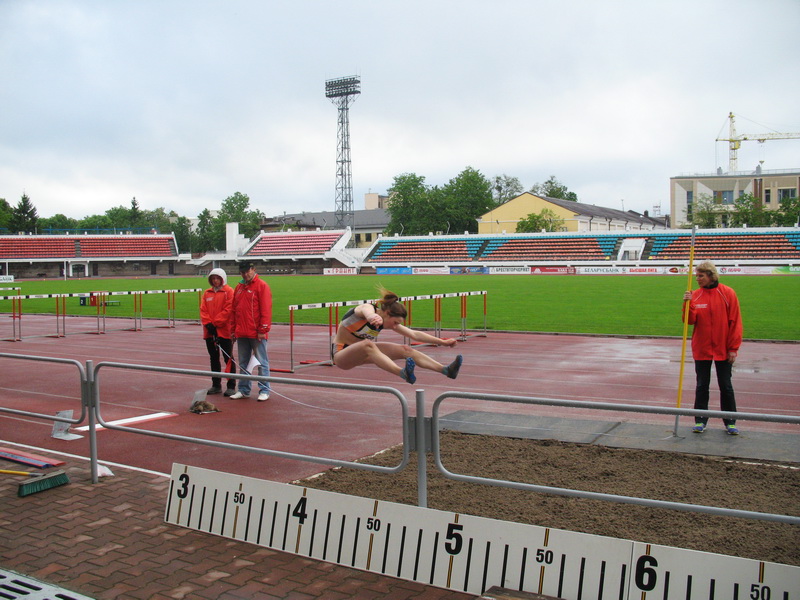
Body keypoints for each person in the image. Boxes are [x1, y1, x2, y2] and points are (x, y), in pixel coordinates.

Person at [332, 288, 463, 384]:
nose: (395, 327)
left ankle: (447, 370)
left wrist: (443, 342)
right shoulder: (367, 309)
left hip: (363, 354)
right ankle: (403, 373)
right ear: (387, 313)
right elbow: (365, 310)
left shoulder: (386, 322)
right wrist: (372, 316)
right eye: (395, 323)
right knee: (367, 345)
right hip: (342, 354)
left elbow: (414, 334)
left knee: (406, 350)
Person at [682, 260, 743, 435]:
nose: (697, 279)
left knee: (726, 385)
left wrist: (733, 348)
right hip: (702, 349)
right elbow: (689, 321)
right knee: (702, 385)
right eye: (696, 276)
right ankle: (700, 420)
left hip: (723, 349)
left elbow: (735, 322)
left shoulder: (728, 293)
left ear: (711, 276)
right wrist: (687, 304)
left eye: (701, 276)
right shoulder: (695, 294)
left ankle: (730, 421)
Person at [229, 261, 273, 401]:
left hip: (256, 332)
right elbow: (234, 310)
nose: (245, 274)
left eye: (247, 271)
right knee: (243, 362)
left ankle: (264, 389)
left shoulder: (262, 286)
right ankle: (243, 389)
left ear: (253, 270)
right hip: (241, 332)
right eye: (242, 272)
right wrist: (233, 330)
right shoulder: (239, 287)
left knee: (261, 362)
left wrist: (263, 329)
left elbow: (266, 309)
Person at [200, 268, 237, 396]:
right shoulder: (207, 293)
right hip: (210, 331)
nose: (215, 281)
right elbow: (203, 310)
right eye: (213, 279)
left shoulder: (229, 292)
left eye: (217, 278)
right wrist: (208, 324)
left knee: (228, 358)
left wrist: (215, 323)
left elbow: (228, 310)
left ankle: (231, 385)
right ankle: (216, 384)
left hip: (224, 331)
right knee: (213, 358)